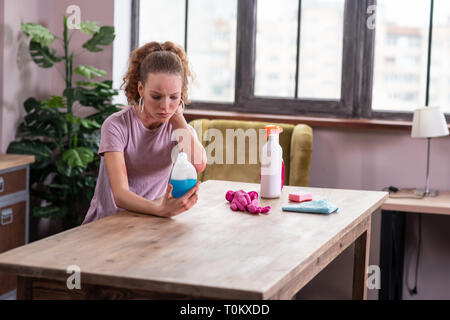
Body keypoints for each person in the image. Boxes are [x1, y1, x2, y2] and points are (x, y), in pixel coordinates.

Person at [82, 41, 207, 224]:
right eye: (156, 97)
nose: (165, 106)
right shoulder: (116, 125)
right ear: (141, 89)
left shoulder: (178, 127)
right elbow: (120, 195)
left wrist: (177, 116)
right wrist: (161, 210)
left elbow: (198, 164)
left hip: (150, 224)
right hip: (108, 225)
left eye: (174, 97)